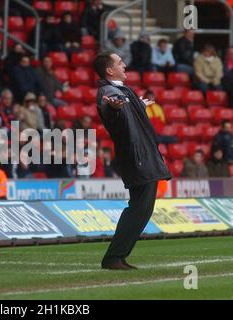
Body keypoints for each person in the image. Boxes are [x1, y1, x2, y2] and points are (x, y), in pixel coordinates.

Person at [94, 51, 171, 270]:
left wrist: (137, 107)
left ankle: (117, 256)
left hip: (140, 155)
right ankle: (114, 257)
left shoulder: (120, 91)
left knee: (142, 208)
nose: (124, 65)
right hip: (136, 156)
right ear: (110, 70)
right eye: (119, 63)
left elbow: (124, 112)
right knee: (139, 207)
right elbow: (111, 111)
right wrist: (117, 109)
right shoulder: (109, 92)